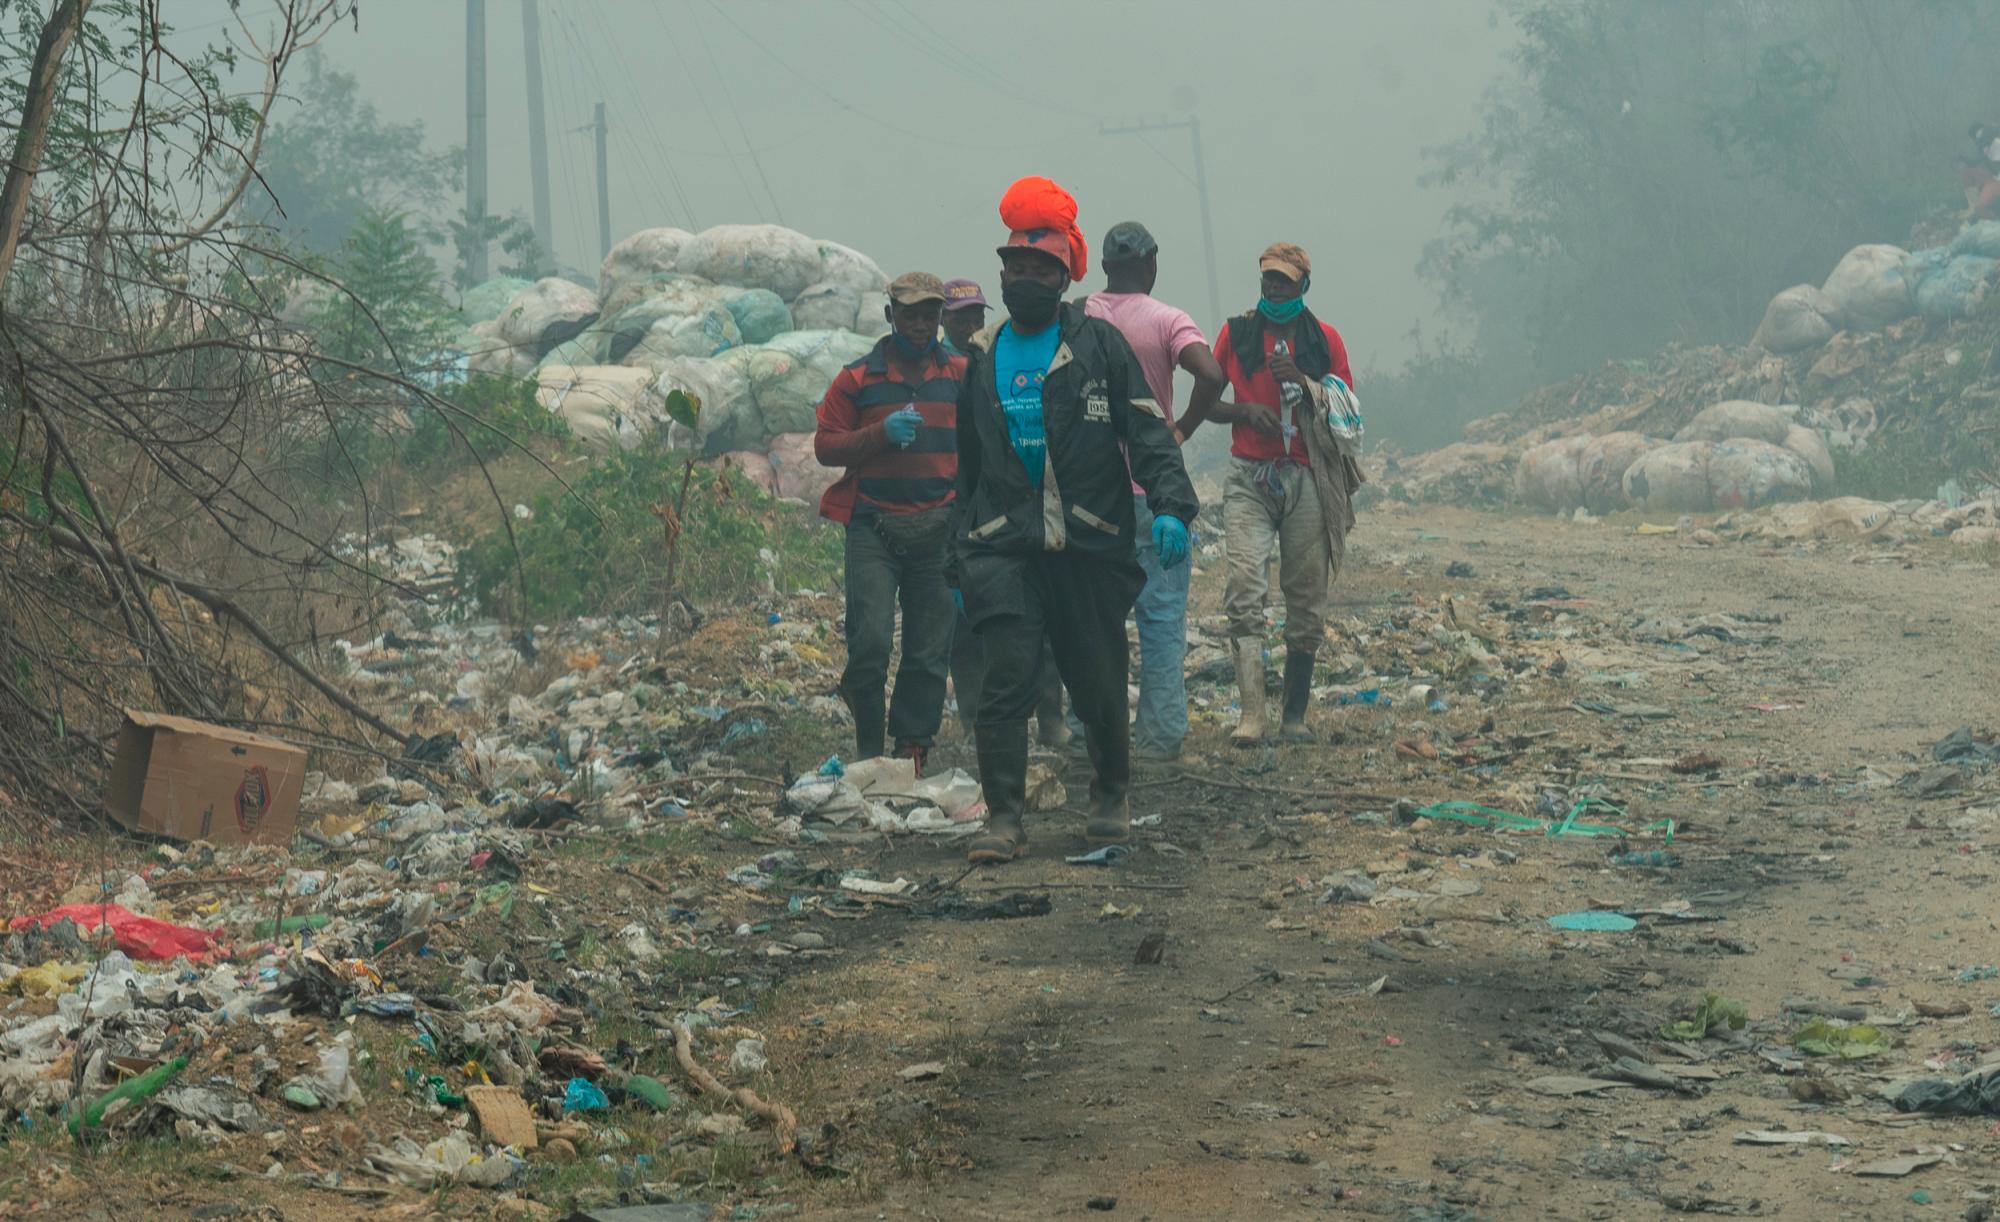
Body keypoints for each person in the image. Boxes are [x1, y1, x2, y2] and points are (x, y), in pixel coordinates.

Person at [951, 176, 1198, 864]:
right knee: (1007, 680)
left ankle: (1110, 795)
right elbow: (966, 468)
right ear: (1001, 274)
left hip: (1088, 540)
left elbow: (1147, 432)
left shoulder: (1100, 347)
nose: (1024, 279)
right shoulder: (982, 357)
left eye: (1039, 269)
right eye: (1014, 267)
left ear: (1063, 278)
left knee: (1095, 676)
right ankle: (1003, 816)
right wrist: (956, 557)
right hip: (1004, 544)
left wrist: (1173, 506)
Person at [1080, 221, 1227, 762]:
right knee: (1162, 620)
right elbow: (1211, 375)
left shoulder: (1079, 316)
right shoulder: (1167, 319)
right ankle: (1160, 739)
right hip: (1154, 490)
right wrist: (1181, 428)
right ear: (1151, 264)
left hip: (1090, 495)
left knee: (1090, 622)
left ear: (1104, 266)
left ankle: (1085, 734)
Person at [1206, 242, 1364, 746]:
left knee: (1306, 593)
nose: (1275, 289)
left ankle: (1293, 715)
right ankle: (1252, 716)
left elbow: (1349, 415)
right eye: (1269, 280)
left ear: (1303, 288)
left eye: (1285, 283)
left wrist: (1305, 384)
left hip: (1308, 475)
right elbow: (1206, 401)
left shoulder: (1326, 341)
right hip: (1250, 475)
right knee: (1244, 586)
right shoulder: (1237, 333)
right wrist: (1244, 412)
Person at [814, 272, 965, 775]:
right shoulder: (857, 379)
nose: (920, 324)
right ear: (890, 316)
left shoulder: (962, 375)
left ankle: (912, 746)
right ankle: (867, 747)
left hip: (938, 529)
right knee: (871, 641)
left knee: (927, 647)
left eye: (929, 314)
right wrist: (880, 433)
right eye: (910, 314)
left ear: (941, 318)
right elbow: (826, 446)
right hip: (873, 529)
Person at [942, 279, 1072, 751]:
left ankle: (1050, 715)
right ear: (944, 320)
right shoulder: (946, 369)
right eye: (960, 316)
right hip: (958, 509)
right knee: (970, 631)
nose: (971, 323)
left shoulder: (997, 357)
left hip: (1013, 506)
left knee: (1039, 621)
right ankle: (979, 724)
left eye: (976, 315)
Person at [939, 279, 986, 357]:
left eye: (978, 321)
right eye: (961, 322)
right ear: (942, 318)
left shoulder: (992, 358)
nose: (973, 330)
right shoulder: (929, 363)